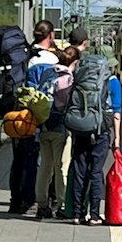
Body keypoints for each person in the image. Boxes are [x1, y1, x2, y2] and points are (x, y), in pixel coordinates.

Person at [64, 29, 122, 226]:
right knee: (96, 172)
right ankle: (95, 215)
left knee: (80, 170)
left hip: (81, 127)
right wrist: (117, 139)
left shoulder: (80, 75)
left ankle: (77, 214)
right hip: (101, 130)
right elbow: (116, 113)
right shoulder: (112, 81)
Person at [7, 21, 56, 214]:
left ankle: (15, 200)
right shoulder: (50, 59)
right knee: (33, 159)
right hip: (36, 117)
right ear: (50, 36)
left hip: (17, 115)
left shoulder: (21, 56)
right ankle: (30, 199)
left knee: (17, 159)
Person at [33, 45, 79, 220]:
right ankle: (62, 204)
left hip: (44, 125)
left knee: (45, 166)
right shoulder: (68, 78)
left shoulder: (47, 73)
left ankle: (42, 204)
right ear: (74, 61)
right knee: (62, 167)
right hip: (60, 128)